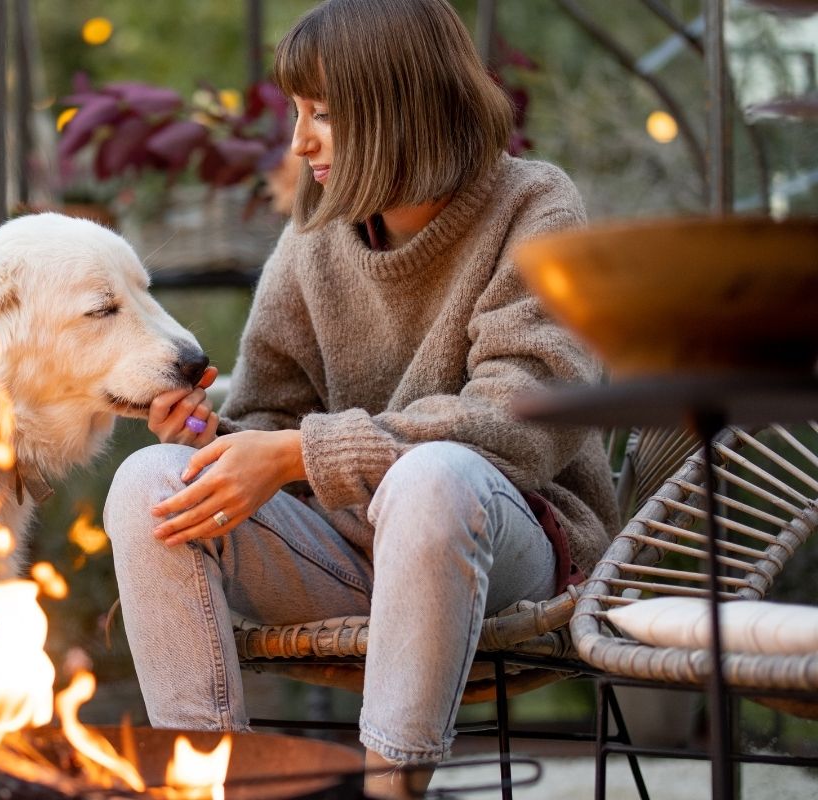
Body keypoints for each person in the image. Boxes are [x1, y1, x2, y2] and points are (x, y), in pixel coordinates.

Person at [103, 0, 619, 794]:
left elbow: (524, 421)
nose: (300, 142)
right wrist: (212, 434)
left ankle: (389, 786)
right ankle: (205, 781)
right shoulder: (316, 235)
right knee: (151, 482)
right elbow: (273, 418)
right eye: (297, 113)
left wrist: (294, 452)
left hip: (515, 545)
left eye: (325, 116)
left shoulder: (533, 204)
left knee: (432, 477)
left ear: (400, 109)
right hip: (350, 555)